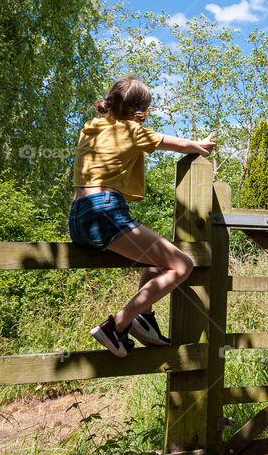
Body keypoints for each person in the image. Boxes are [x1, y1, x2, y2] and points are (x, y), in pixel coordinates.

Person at [70, 76, 216, 357]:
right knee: (181, 265)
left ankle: (144, 317)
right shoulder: (134, 131)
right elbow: (177, 144)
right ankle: (118, 325)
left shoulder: (90, 127)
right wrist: (199, 145)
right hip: (105, 209)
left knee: (157, 255)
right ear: (140, 108)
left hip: (78, 216)